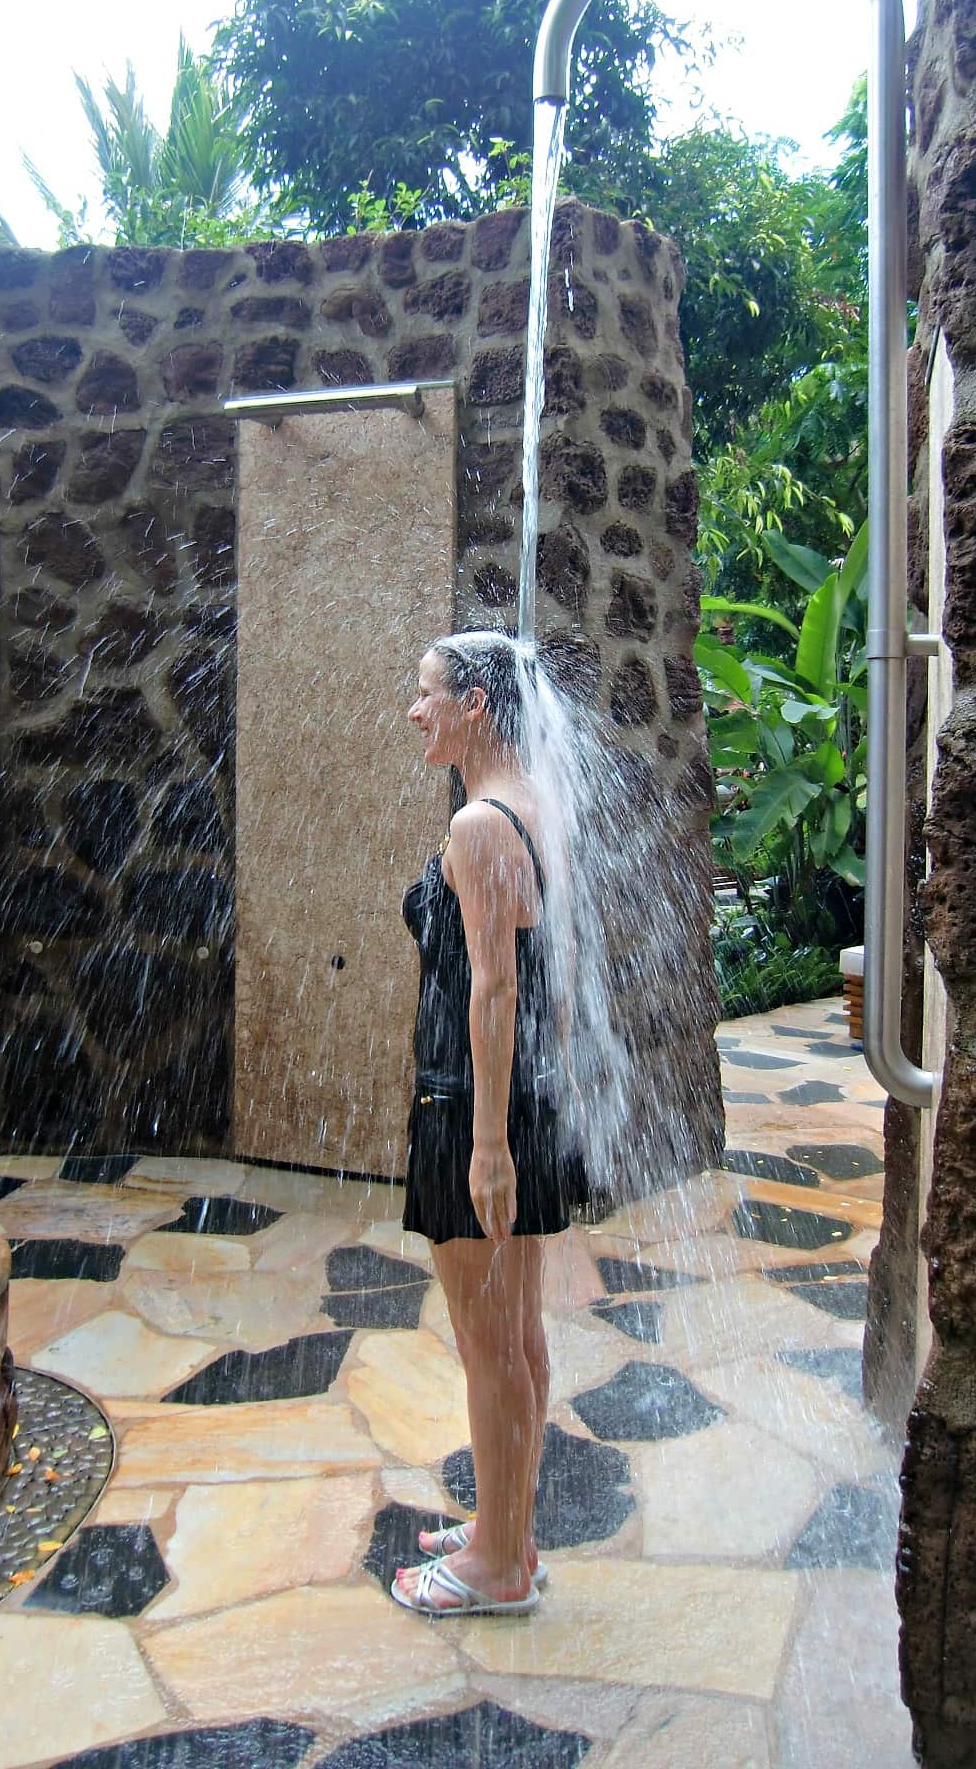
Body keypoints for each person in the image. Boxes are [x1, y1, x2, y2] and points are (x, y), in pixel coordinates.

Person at [390, 631, 572, 1619]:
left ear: (476, 706)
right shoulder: (536, 807)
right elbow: (550, 982)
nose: (414, 711)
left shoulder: (479, 825)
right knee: (519, 1335)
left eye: (427, 694)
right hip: (521, 1098)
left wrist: (489, 1145)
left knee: (488, 1342)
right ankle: (509, 1526)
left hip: (474, 1108)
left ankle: (498, 1566)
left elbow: (496, 987)